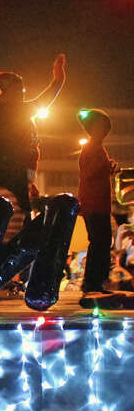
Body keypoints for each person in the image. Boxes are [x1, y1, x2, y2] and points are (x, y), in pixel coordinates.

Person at [0, 53, 67, 243]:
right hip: (8, 179)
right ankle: (3, 271)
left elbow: (21, 149)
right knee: (10, 235)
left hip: (12, 178)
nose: (22, 93)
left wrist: (29, 182)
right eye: (18, 89)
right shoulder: (7, 109)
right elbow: (41, 103)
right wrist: (58, 82)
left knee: (16, 230)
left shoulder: (7, 110)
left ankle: (9, 272)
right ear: (6, 92)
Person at [77, 108, 120, 303]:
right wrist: (106, 166)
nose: (105, 131)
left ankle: (95, 283)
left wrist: (107, 166)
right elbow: (89, 173)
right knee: (99, 242)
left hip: (98, 204)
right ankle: (93, 283)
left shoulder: (97, 148)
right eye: (103, 127)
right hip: (94, 205)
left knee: (101, 243)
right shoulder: (91, 148)